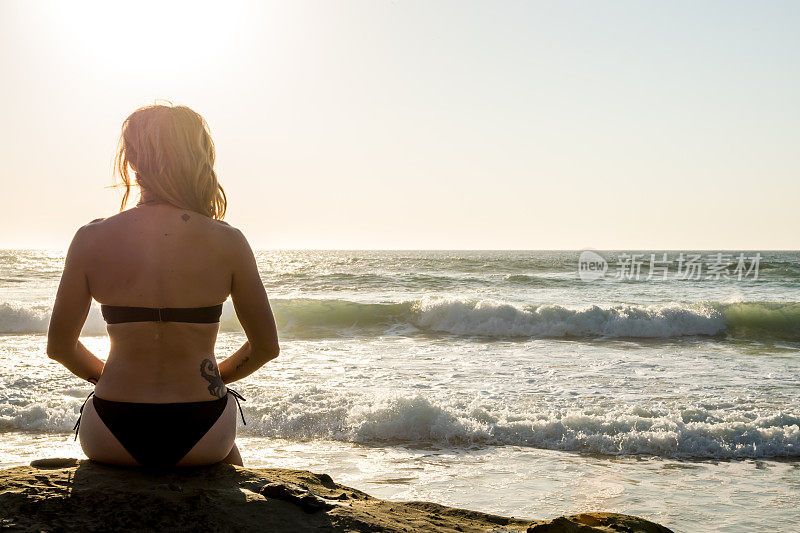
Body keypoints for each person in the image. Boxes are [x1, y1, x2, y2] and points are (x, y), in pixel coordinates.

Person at [46, 104, 280, 468]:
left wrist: (106, 377)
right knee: (231, 462)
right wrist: (214, 377)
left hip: (111, 429)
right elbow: (266, 347)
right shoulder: (228, 240)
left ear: (133, 160)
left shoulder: (90, 238)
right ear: (198, 159)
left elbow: (59, 347)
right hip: (203, 428)